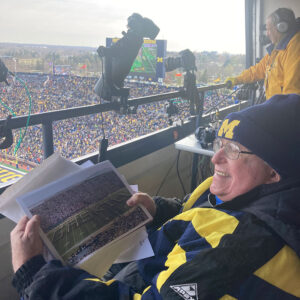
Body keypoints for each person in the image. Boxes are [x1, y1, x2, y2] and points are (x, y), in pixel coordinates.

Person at [11, 94, 300, 299]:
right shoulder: (243, 191)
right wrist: (158, 209)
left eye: (234, 151)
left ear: (275, 171)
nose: (215, 159)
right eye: (220, 144)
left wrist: (34, 274)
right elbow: (193, 211)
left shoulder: (233, 248)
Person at [226, 8, 300, 100]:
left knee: (235, 115)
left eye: (269, 29)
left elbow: (292, 93)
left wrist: (279, 112)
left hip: (284, 109)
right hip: (275, 106)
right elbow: (257, 70)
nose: (267, 34)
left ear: (282, 27)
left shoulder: (295, 47)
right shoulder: (276, 50)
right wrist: (237, 79)